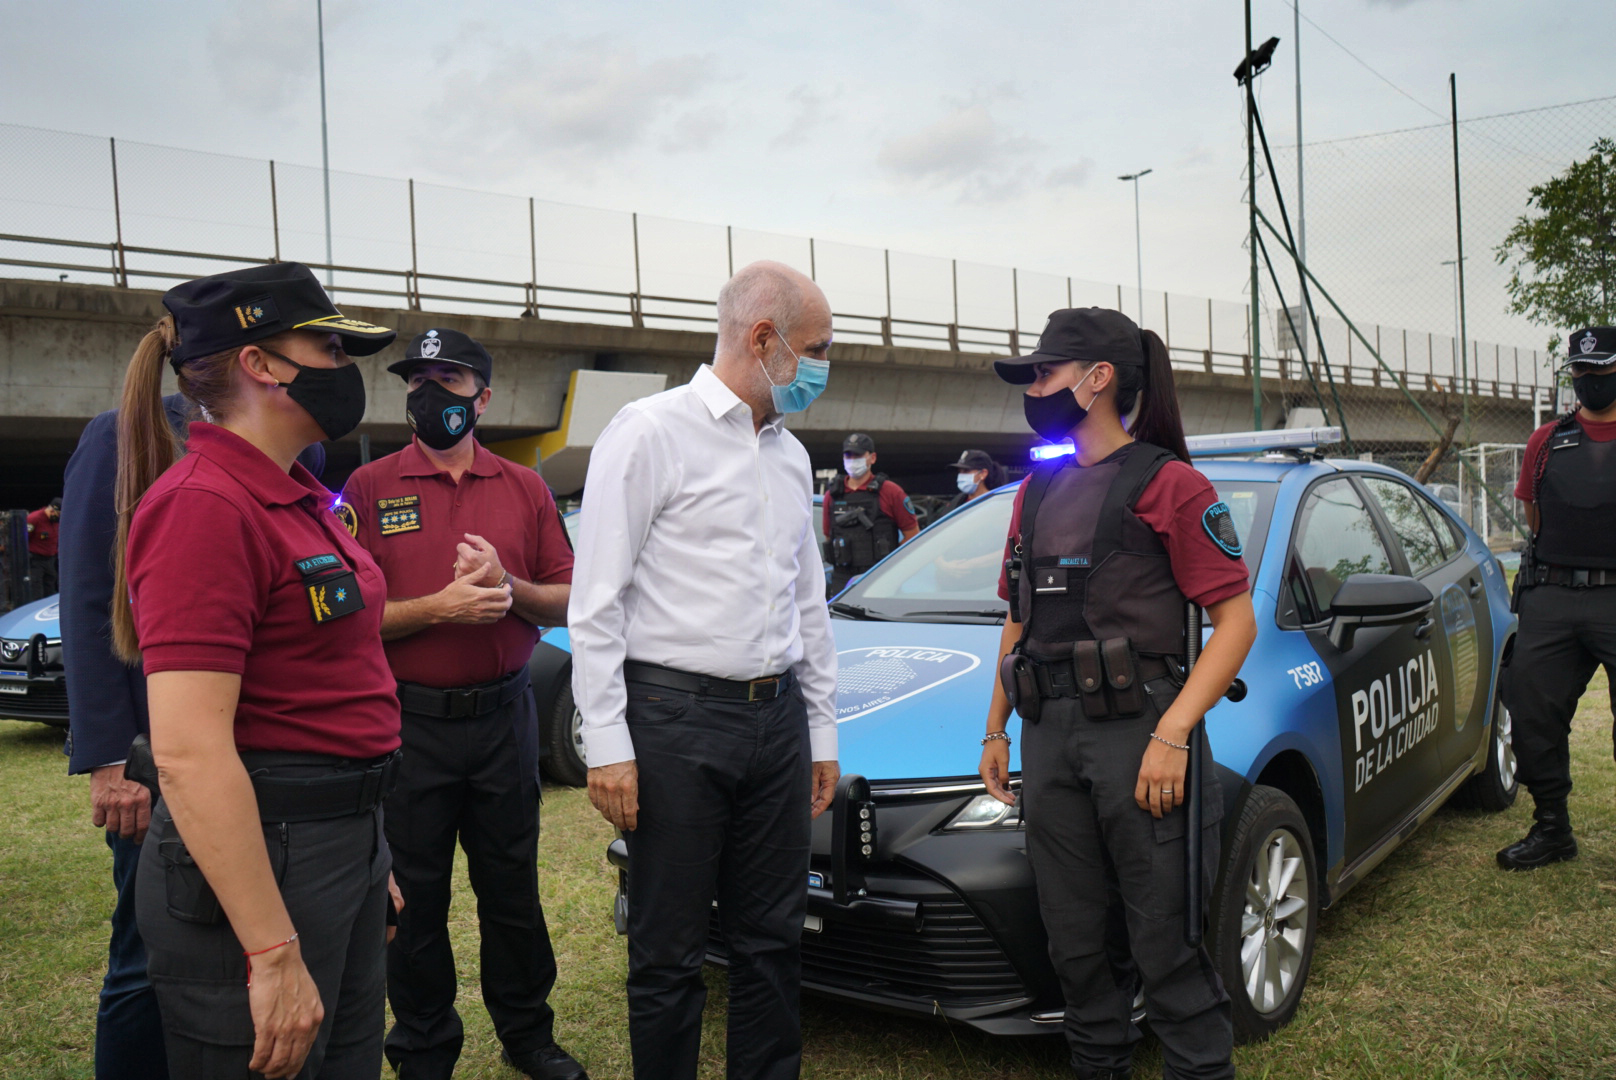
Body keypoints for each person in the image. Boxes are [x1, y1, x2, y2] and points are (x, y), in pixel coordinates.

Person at [117, 261, 404, 1079]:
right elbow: (189, 752)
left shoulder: (297, 495)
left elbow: (327, 684)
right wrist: (273, 952)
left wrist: (364, 858)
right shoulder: (205, 506)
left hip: (337, 842)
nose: (345, 367)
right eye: (328, 345)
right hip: (268, 853)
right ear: (262, 363)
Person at [570, 260, 840, 1080]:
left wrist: (819, 727)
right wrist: (609, 744)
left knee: (771, 942)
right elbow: (596, 601)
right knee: (670, 952)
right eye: (817, 349)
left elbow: (809, 604)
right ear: (764, 340)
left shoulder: (789, 457)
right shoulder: (649, 432)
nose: (826, 366)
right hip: (676, 722)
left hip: (775, 721)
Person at [977, 308, 1257, 1080]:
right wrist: (995, 729)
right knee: (1074, 941)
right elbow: (1017, 618)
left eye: (1044, 373)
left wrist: (1173, 734)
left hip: (1138, 734)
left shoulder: (1171, 483)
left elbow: (1235, 623)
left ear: (1098, 380)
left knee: (1165, 938)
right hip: (1049, 731)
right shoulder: (1033, 491)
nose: (1033, 388)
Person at [339, 328, 586, 1080]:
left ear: (483, 396)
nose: (429, 392)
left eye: (448, 379)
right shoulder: (368, 489)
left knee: (510, 885)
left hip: (504, 718)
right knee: (413, 898)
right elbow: (348, 620)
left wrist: (510, 590)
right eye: (418, 379)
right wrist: (438, 608)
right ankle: (422, 1044)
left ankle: (528, 1034)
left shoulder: (525, 487)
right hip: (410, 725)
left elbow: (571, 597)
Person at [61, 391, 325, 1080]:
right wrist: (110, 755)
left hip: (274, 757)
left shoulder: (304, 446)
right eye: (318, 343)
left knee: (262, 944)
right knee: (145, 960)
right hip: (165, 754)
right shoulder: (123, 434)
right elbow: (91, 597)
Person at [1500, 325, 1616, 871]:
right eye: (1582, 372)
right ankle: (1552, 829)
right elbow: (1535, 517)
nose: (1591, 381)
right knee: (1531, 714)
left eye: (1602, 370)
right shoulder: (1546, 441)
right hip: (1552, 593)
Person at [822, 433, 919, 595]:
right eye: (848, 455)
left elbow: (913, 536)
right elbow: (828, 536)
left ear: (872, 458)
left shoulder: (890, 491)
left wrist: (889, 564)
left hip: (880, 577)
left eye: (858, 455)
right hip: (842, 579)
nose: (852, 460)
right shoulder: (832, 495)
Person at [942, 449, 1007, 514]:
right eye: (960, 471)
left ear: (983, 474)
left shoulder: (995, 503)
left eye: (966, 471)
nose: (961, 475)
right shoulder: (956, 502)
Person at [27, 496, 62, 599]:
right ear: (52, 510)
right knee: (36, 588)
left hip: (50, 560)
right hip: (36, 560)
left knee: (50, 586)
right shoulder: (34, 518)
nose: (58, 517)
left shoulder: (55, 522)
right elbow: (24, 539)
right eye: (57, 514)